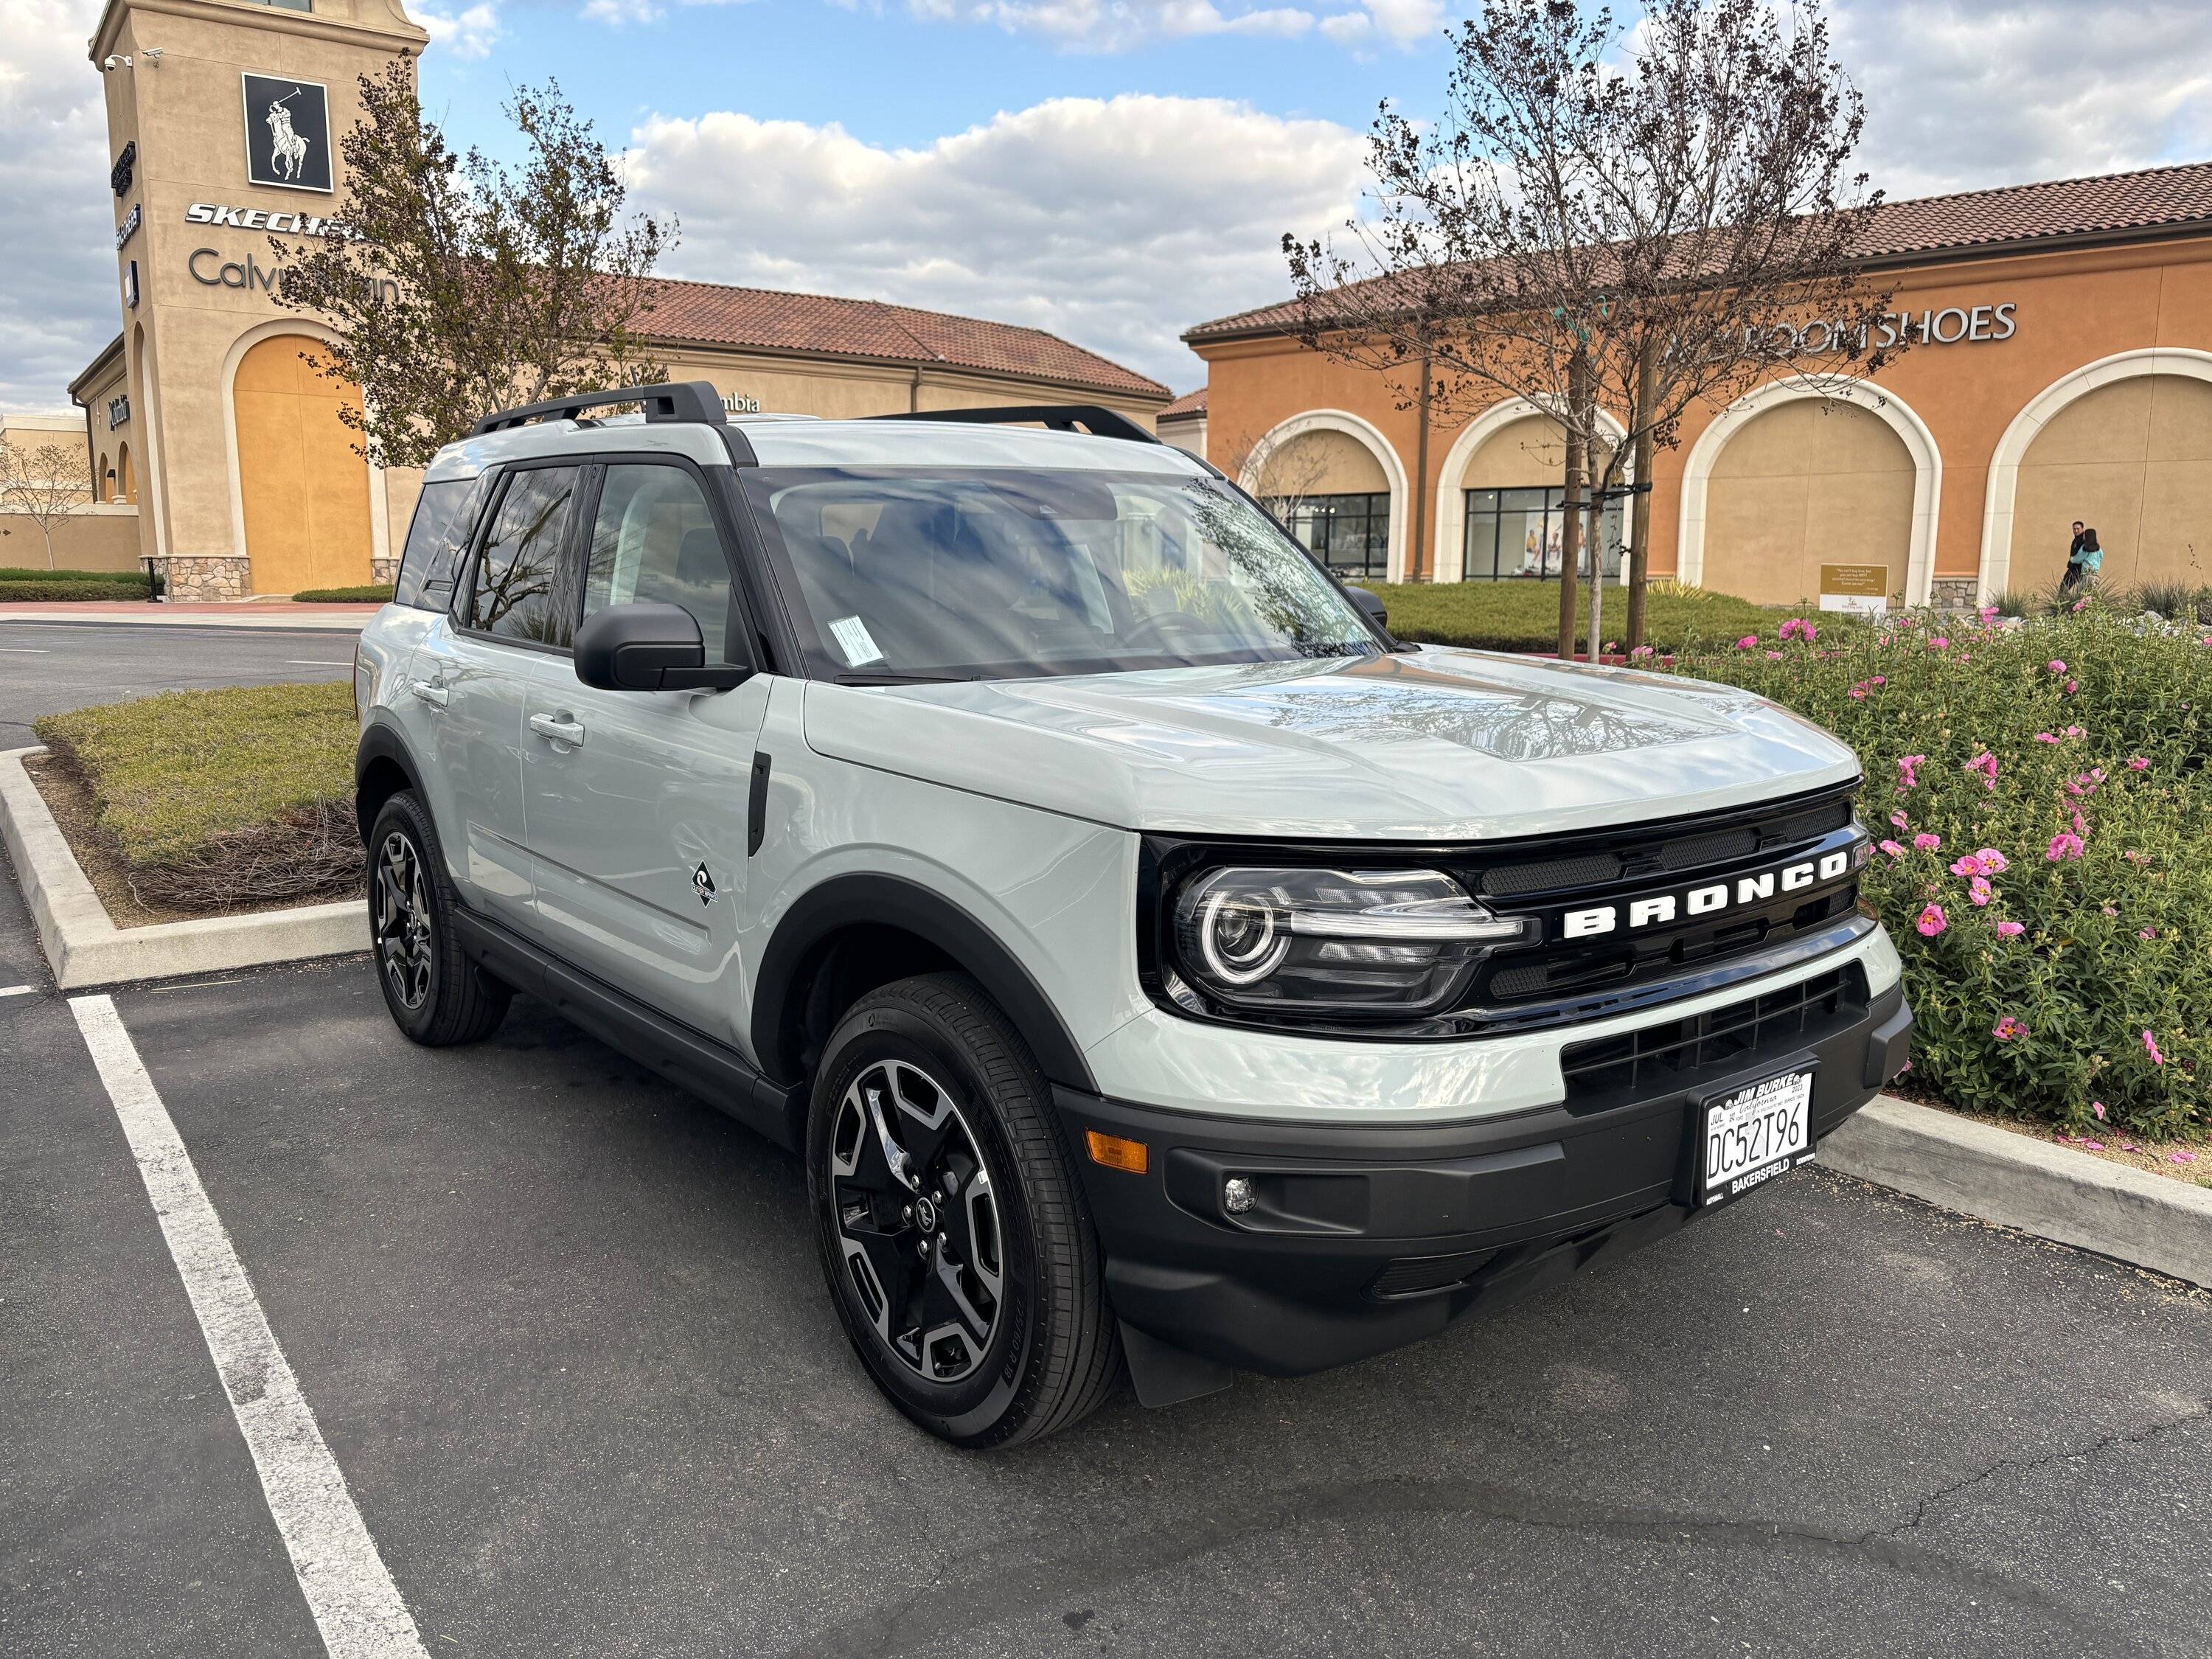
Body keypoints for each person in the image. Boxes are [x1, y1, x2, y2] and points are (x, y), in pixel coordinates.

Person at [2060, 524, 2102, 594]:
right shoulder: (2099, 548)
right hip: (2095, 574)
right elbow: (2101, 557)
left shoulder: (2084, 548)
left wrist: (2072, 559)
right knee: (2091, 593)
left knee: (2082, 594)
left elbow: (2078, 559)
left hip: (2086, 574)